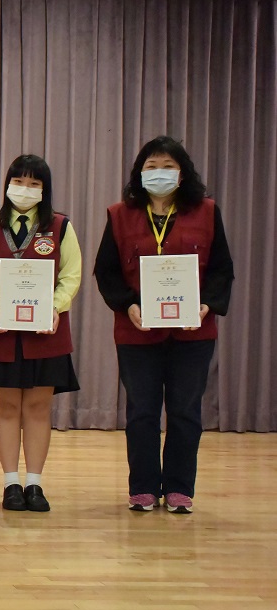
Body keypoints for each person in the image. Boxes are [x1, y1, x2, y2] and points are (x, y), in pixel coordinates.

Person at [93, 136, 234, 514]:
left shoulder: (206, 211)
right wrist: (128, 305)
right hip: (136, 331)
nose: (160, 173)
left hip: (193, 331)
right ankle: (142, 487)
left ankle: (178, 488)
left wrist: (206, 305)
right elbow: (106, 272)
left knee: (185, 410)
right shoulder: (120, 214)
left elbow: (222, 269)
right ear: (139, 173)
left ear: (182, 173)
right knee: (142, 410)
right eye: (151, 166)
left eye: (168, 166)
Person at [0, 154, 81, 513]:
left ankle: (35, 483)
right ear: (7, 185)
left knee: (38, 407)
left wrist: (56, 306)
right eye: (19, 182)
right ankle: (11, 483)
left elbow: (71, 275)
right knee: (7, 406)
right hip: (0, 331)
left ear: (44, 190)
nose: (25, 189)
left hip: (46, 332)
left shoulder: (60, 227)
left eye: (34, 184)